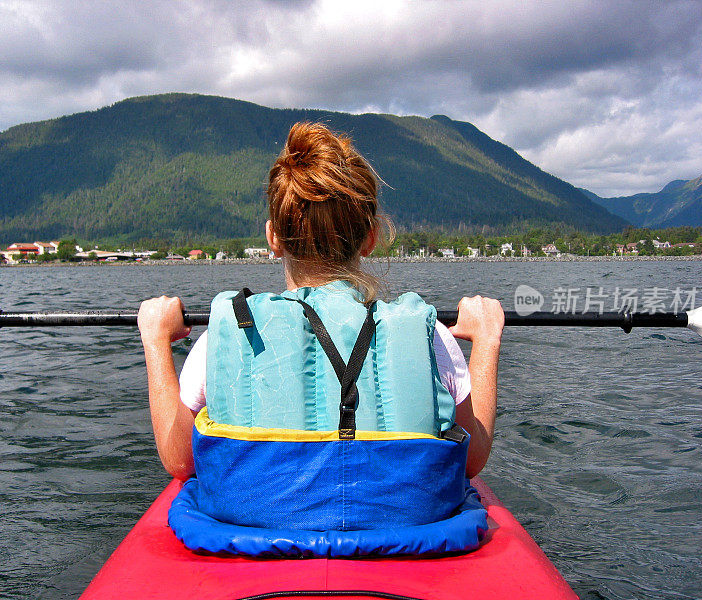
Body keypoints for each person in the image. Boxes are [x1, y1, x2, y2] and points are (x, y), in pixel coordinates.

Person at [137, 122, 504, 556]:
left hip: (255, 529)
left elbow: (180, 461)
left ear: (273, 238)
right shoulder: (431, 337)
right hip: (404, 531)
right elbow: (472, 457)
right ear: (370, 238)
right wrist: (485, 341)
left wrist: (156, 341)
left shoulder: (231, 330)